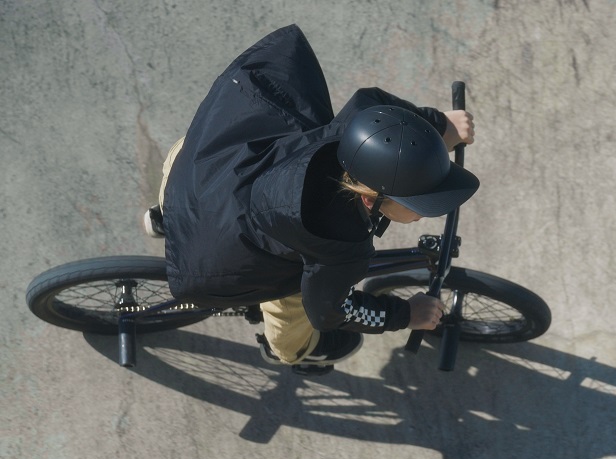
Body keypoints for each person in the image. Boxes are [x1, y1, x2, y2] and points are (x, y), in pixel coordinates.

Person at [144, 24, 479, 375]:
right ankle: (289, 353)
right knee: (295, 316)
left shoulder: (355, 128)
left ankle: (164, 216)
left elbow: (384, 109)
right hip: (215, 257)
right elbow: (332, 311)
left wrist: (440, 126)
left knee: (192, 165)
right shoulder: (340, 246)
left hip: (196, 169)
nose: (424, 214)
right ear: (370, 201)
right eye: (417, 205)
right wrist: (405, 315)